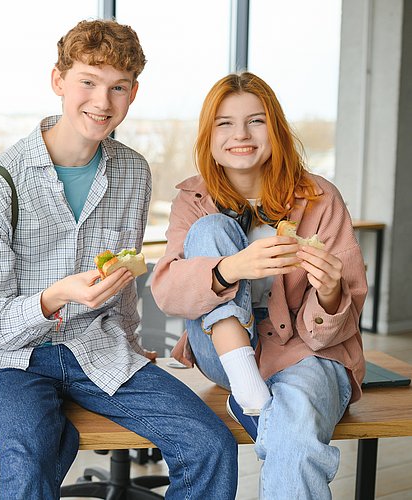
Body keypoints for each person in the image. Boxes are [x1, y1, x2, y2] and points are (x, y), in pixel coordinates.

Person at [0, 19, 237, 499]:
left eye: (118, 88)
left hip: (101, 350)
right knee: (29, 463)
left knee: (209, 444)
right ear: (58, 81)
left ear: (133, 93)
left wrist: (132, 342)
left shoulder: (133, 171)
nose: (102, 102)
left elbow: (124, 282)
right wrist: (54, 298)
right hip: (12, 361)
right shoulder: (0, 182)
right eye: (88, 82)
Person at [151, 71, 367, 498]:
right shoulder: (191, 200)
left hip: (308, 347)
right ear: (208, 136)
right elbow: (167, 292)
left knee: (296, 430)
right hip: (227, 350)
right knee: (212, 230)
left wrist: (328, 293)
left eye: (256, 121)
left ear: (276, 129)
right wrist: (230, 268)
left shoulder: (321, 198)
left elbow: (348, 313)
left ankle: (257, 405)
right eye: (225, 123)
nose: (241, 135)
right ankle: (248, 382)